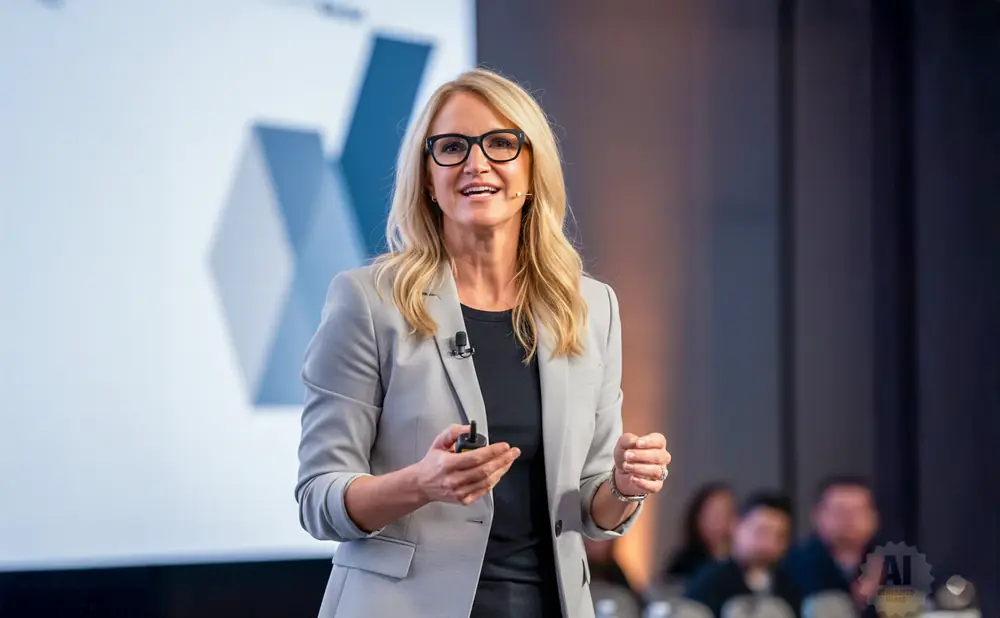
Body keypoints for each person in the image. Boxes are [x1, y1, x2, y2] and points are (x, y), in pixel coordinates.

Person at [294, 67, 672, 618]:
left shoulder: (590, 307)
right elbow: (318, 500)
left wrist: (623, 484)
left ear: (531, 166)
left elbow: (595, 508)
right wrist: (420, 483)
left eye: (499, 143)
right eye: (451, 147)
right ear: (426, 176)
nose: (476, 163)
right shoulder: (368, 301)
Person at [684, 491, 804, 618]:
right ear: (736, 526)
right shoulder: (710, 583)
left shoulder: (789, 586)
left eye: (779, 536)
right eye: (761, 532)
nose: (769, 544)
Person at [782, 476, 881, 617]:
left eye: (858, 511)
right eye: (840, 511)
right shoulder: (792, 564)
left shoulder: (891, 563)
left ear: (874, 517)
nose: (849, 520)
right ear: (817, 515)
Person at [660, 481, 736, 581]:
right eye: (715, 514)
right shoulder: (685, 562)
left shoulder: (740, 562)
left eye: (727, 512)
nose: (723, 520)